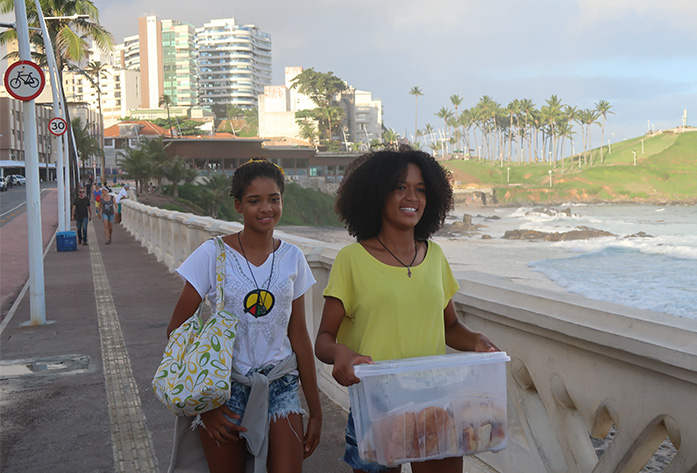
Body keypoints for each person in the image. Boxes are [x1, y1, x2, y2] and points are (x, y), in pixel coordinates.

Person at [314, 146, 499, 473]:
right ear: (376, 193)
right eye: (400, 187)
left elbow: (450, 326)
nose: (411, 196)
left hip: (436, 399)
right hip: (376, 403)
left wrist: (477, 340)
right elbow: (324, 339)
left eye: (420, 189)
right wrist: (342, 354)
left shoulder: (436, 256)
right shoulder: (352, 261)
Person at [166, 159, 322, 473]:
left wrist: (315, 410)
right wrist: (203, 408)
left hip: (280, 383)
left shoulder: (293, 257)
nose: (266, 208)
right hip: (224, 389)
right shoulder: (212, 254)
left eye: (274, 199)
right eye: (254, 201)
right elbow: (176, 330)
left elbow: (300, 335)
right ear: (238, 205)